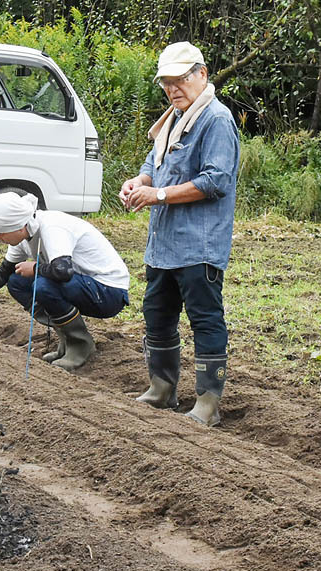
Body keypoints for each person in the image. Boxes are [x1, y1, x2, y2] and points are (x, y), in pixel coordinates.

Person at [119, 41, 239, 427]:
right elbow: (152, 166)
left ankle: (207, 403)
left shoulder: (216, 120)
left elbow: (215, 180)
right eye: (166, 82)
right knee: (157, 315)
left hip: (199, 245)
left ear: (202, 75)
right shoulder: (172, 119)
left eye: (180, 79)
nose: (173, 88)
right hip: (164, 245)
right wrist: (138, 183)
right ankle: (162, 388)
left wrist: (159, 195)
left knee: (205, 320)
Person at [0, 191, 130, 370]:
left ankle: (80, 344)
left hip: (108, 292)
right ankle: (65, 337)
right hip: (84, 285)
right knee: (16, 281)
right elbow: (3, 274)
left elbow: (63, 271)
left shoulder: (52, 227)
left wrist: (34, 268)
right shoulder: (24, 236)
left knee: (44, 286)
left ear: (19, 226)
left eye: (1, 233)